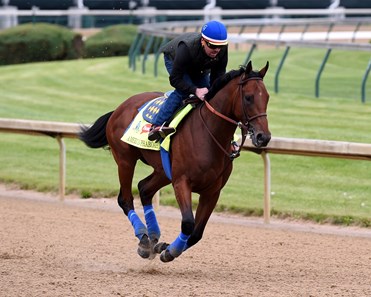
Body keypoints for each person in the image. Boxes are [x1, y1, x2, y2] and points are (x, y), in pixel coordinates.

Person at [148, 20, 229, 141]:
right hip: (175, 59)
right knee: (183, 91)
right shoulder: (186, 48)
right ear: (203, 41)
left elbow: (218, 75)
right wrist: (195, 90)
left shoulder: (221, 50)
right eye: (212, 45)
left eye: (220, 46)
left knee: (211, 94)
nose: (217, 50)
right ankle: (156, 126)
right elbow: (175, 79)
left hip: (199, 65)